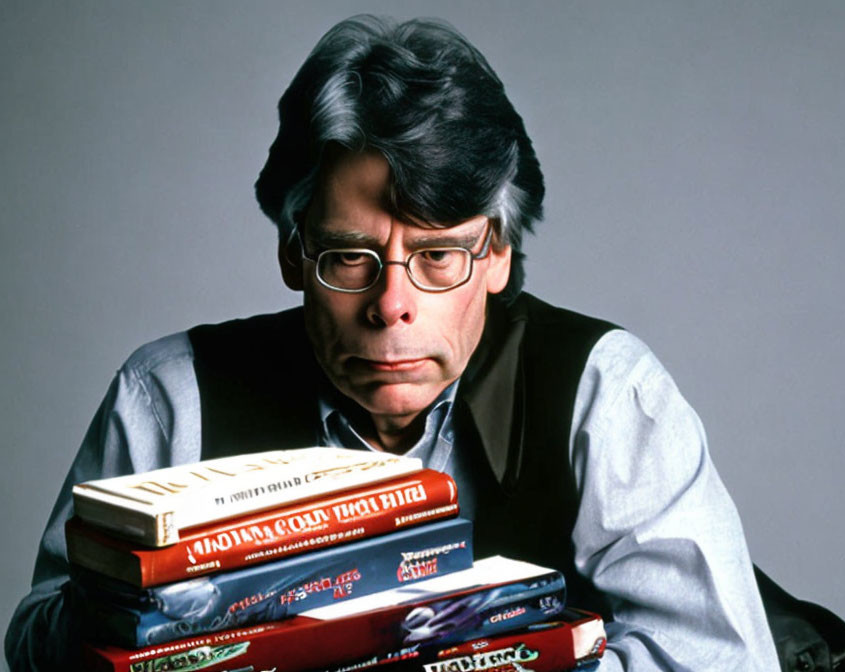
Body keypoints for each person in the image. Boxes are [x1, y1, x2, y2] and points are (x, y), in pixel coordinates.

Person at [6, 15, 781, 671]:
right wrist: (147, 608)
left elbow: (720, 660)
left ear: (498, 255)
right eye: (351, 258)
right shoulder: (170, 397)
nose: (392, 306)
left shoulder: (608, 396)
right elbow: (34, 640)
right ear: (293, 253)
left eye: (438, 256)